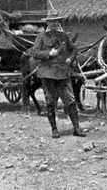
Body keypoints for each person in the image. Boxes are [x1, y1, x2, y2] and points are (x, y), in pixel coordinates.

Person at [31, 10, 86, 138]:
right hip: (48, 73)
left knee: (71, 101)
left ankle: (77, 128)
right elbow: (34, 52)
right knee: (50, 101)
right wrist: (48, 54)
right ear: (48, 23)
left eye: (56, 21)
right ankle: (54, 129)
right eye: (51, 22)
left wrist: (70, 58)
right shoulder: (41, 37)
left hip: (63, 74)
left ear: (58, 22)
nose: (54, 24)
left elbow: (74, 49)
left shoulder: (64, 37)